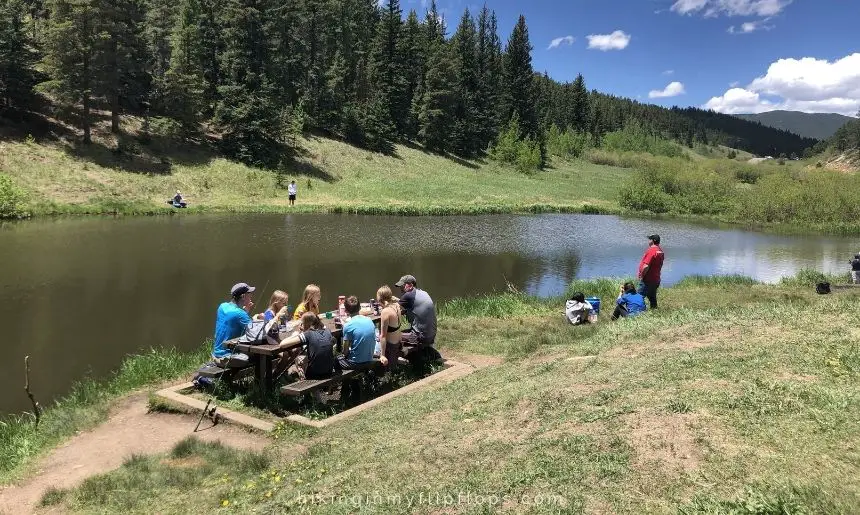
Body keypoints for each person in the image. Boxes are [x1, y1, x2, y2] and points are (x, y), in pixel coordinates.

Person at [273, 312, 335, 382]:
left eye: (302, 323)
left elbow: (282, 344)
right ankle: (315, 392)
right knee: (306, 357)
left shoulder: (308, 334)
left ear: (306, 324)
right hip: (329, 371)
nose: (301, 325)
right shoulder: (327, 331)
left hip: (314, 374)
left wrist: (297, 334)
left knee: (298, 359)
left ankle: (303, 383)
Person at [212, 283, 259, 368]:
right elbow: (256, 333)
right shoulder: (240, 314)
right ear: (243, 296)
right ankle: (263, 380)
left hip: (216, 354)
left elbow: (233, 319)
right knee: (263, 355)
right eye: (250, 294)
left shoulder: (222, 306)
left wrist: (245, 311)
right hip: (228, 357)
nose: (251, 296)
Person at [395, 275, 437, 352]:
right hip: (431, 335)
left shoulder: (408, 295)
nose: (401, 289)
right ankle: (430, 352)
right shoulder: (423, 292)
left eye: (403, 286)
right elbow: (413, 308)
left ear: (411, 285)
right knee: (401, 333)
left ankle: (397, 356)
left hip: (420, 336)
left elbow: (392, 310)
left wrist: (385, 302)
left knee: (391, 336)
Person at [337, 296, 376, 370]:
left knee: (335, 360)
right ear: (360, 308)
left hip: (356, 363)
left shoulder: (347, 326)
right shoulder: (369, 320)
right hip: (370, 358)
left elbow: (345, 352)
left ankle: (347, 381)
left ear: (346, 311)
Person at [376, 285, 402, 368]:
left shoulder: (385, 312)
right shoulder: (397, 306)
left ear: (380, 299)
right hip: (398, 343)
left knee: (373, 338)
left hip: (390, 347)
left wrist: (382, 355)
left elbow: (383, 336)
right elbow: (399, 300)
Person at [638, 234, 665, 309]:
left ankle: (637, 313)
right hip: (655, 279)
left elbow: (646, 266)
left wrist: (642, 276)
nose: (648, 241)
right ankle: (654, 312)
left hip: (647, 280)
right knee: (652, 297)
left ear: (653, 241)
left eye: (650, 239)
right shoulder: (660, 251)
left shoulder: (651, 250)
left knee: (639, 297)